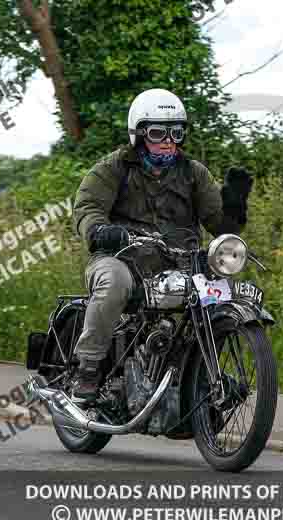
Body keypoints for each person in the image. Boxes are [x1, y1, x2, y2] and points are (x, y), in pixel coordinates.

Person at [70, 88, 253, 403]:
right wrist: (100, 230)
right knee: (113, 283)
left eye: (175, 133)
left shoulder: (194, 173)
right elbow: (86, 207)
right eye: (158, 132)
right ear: (139, 135)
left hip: (179, 263)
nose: (168, 140)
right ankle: (87, 368)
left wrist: (235, 207)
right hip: (121, 257)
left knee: (220, 292)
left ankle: (200, 376)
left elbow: (219, 226)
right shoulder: (115, 168)